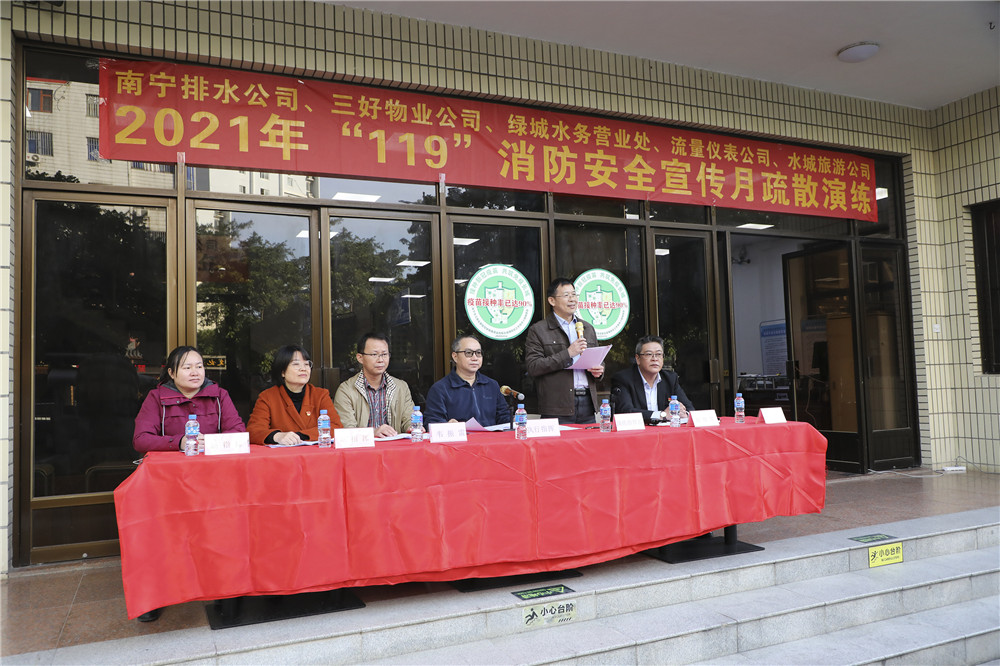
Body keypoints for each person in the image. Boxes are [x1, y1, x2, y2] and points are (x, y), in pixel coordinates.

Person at [130, 344, 245, 623]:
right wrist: (179, 442)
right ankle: (153, 596)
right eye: (187, 367)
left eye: (199, 366)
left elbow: (238, 432)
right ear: (171, 372)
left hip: (214, 481)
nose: (195, 372)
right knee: (160, 535)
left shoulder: (219, 395)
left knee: (224, 532)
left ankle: (226, 590)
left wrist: (214, 443)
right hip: (170, 484)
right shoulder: (157, 398)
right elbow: (141, 439)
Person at [525, 277, 604, 424]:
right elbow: (534, 366)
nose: (572, 299)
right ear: (552, 301)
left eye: (574, 294)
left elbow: (598, 359)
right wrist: (568, 354)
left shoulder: (587, 328)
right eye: (566, 295)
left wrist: (599, 370)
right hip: (556, 405)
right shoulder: (539, 330)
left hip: (588, 403)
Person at [247, 345, 342, 445]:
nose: (303, 369)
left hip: (315, 453)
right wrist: (277, 436)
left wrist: (300, 436)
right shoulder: (267, 397)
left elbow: (336, 427)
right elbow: (253, 431)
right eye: (296, 364)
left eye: (306, 364)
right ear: (282, 372)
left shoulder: (320, 395)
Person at [333, 332, 414, 437]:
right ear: (360, 358)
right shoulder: (346, 390)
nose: (380, 360)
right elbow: (347, 430)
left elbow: (408, 419)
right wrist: (373, 433)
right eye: (374, 354)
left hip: (393, 445)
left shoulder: (401, 387)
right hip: (363, 446)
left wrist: (412, 427)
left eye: (384, 354)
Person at [424, 334, 511, 426]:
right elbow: (432, 422)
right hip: (459, 435)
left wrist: (514, 420)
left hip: (490, 435)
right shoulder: (440, 389)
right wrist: (447, 425)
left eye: (478, 353)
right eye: (468, 353)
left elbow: (503, 418)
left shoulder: (492, 385)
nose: (475, 358)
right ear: (455, 356)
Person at [611, 335, 694, 423]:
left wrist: (684, 414)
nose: (655, 359)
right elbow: (626, 411)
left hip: (666, 430)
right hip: (638, 430)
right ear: (638, 359)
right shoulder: (623, 379)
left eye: (658, 354)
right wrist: (662, 415)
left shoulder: (670, 379)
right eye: (649, 354)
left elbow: (689, 408)